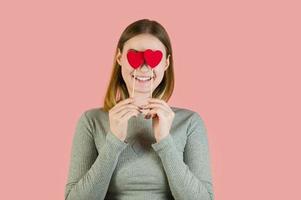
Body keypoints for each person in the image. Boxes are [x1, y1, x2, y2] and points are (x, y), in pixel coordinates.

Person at [64, 18, 214, 200]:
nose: (144, 67)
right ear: (119, 58)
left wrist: (165, 141)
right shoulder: (91, 121)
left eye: (153, 58)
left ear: (165, 64)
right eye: (135, 55)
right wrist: (113, 142)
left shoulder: (190, 122)